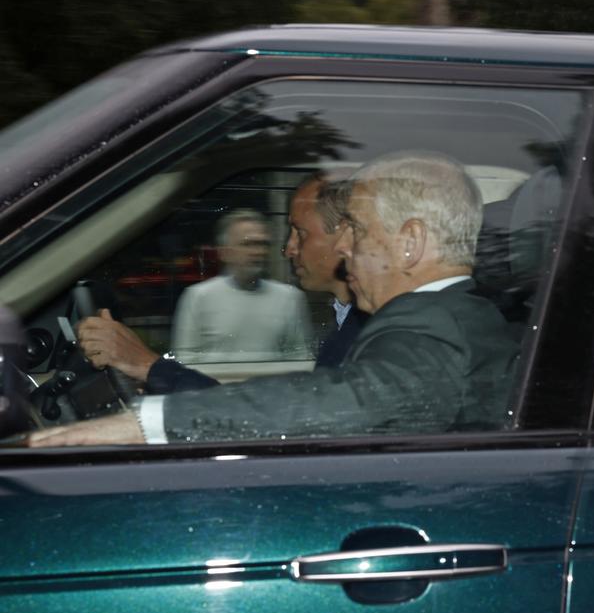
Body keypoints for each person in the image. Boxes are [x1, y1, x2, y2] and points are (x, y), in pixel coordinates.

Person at [29, 151, 520, 446]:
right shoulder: (454, 315)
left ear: (410, 243)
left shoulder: (435, 327)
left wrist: (145, 425)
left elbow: (349, 401)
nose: (344, 247)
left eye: (358, 230)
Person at [75, 178, 366, 394]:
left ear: (345, 239)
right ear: (224, 251)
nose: (287, 249)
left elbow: (291, 417)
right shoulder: (346, 324)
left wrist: (149, 367)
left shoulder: (366, 333)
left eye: (300, 234)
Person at [170, 209, 312, 364]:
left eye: (262, 244)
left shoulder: (290, 298)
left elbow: (300, 359)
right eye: (248, 244)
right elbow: (184, 361)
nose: (258, 252)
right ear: (224, 253)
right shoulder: (198, 297)